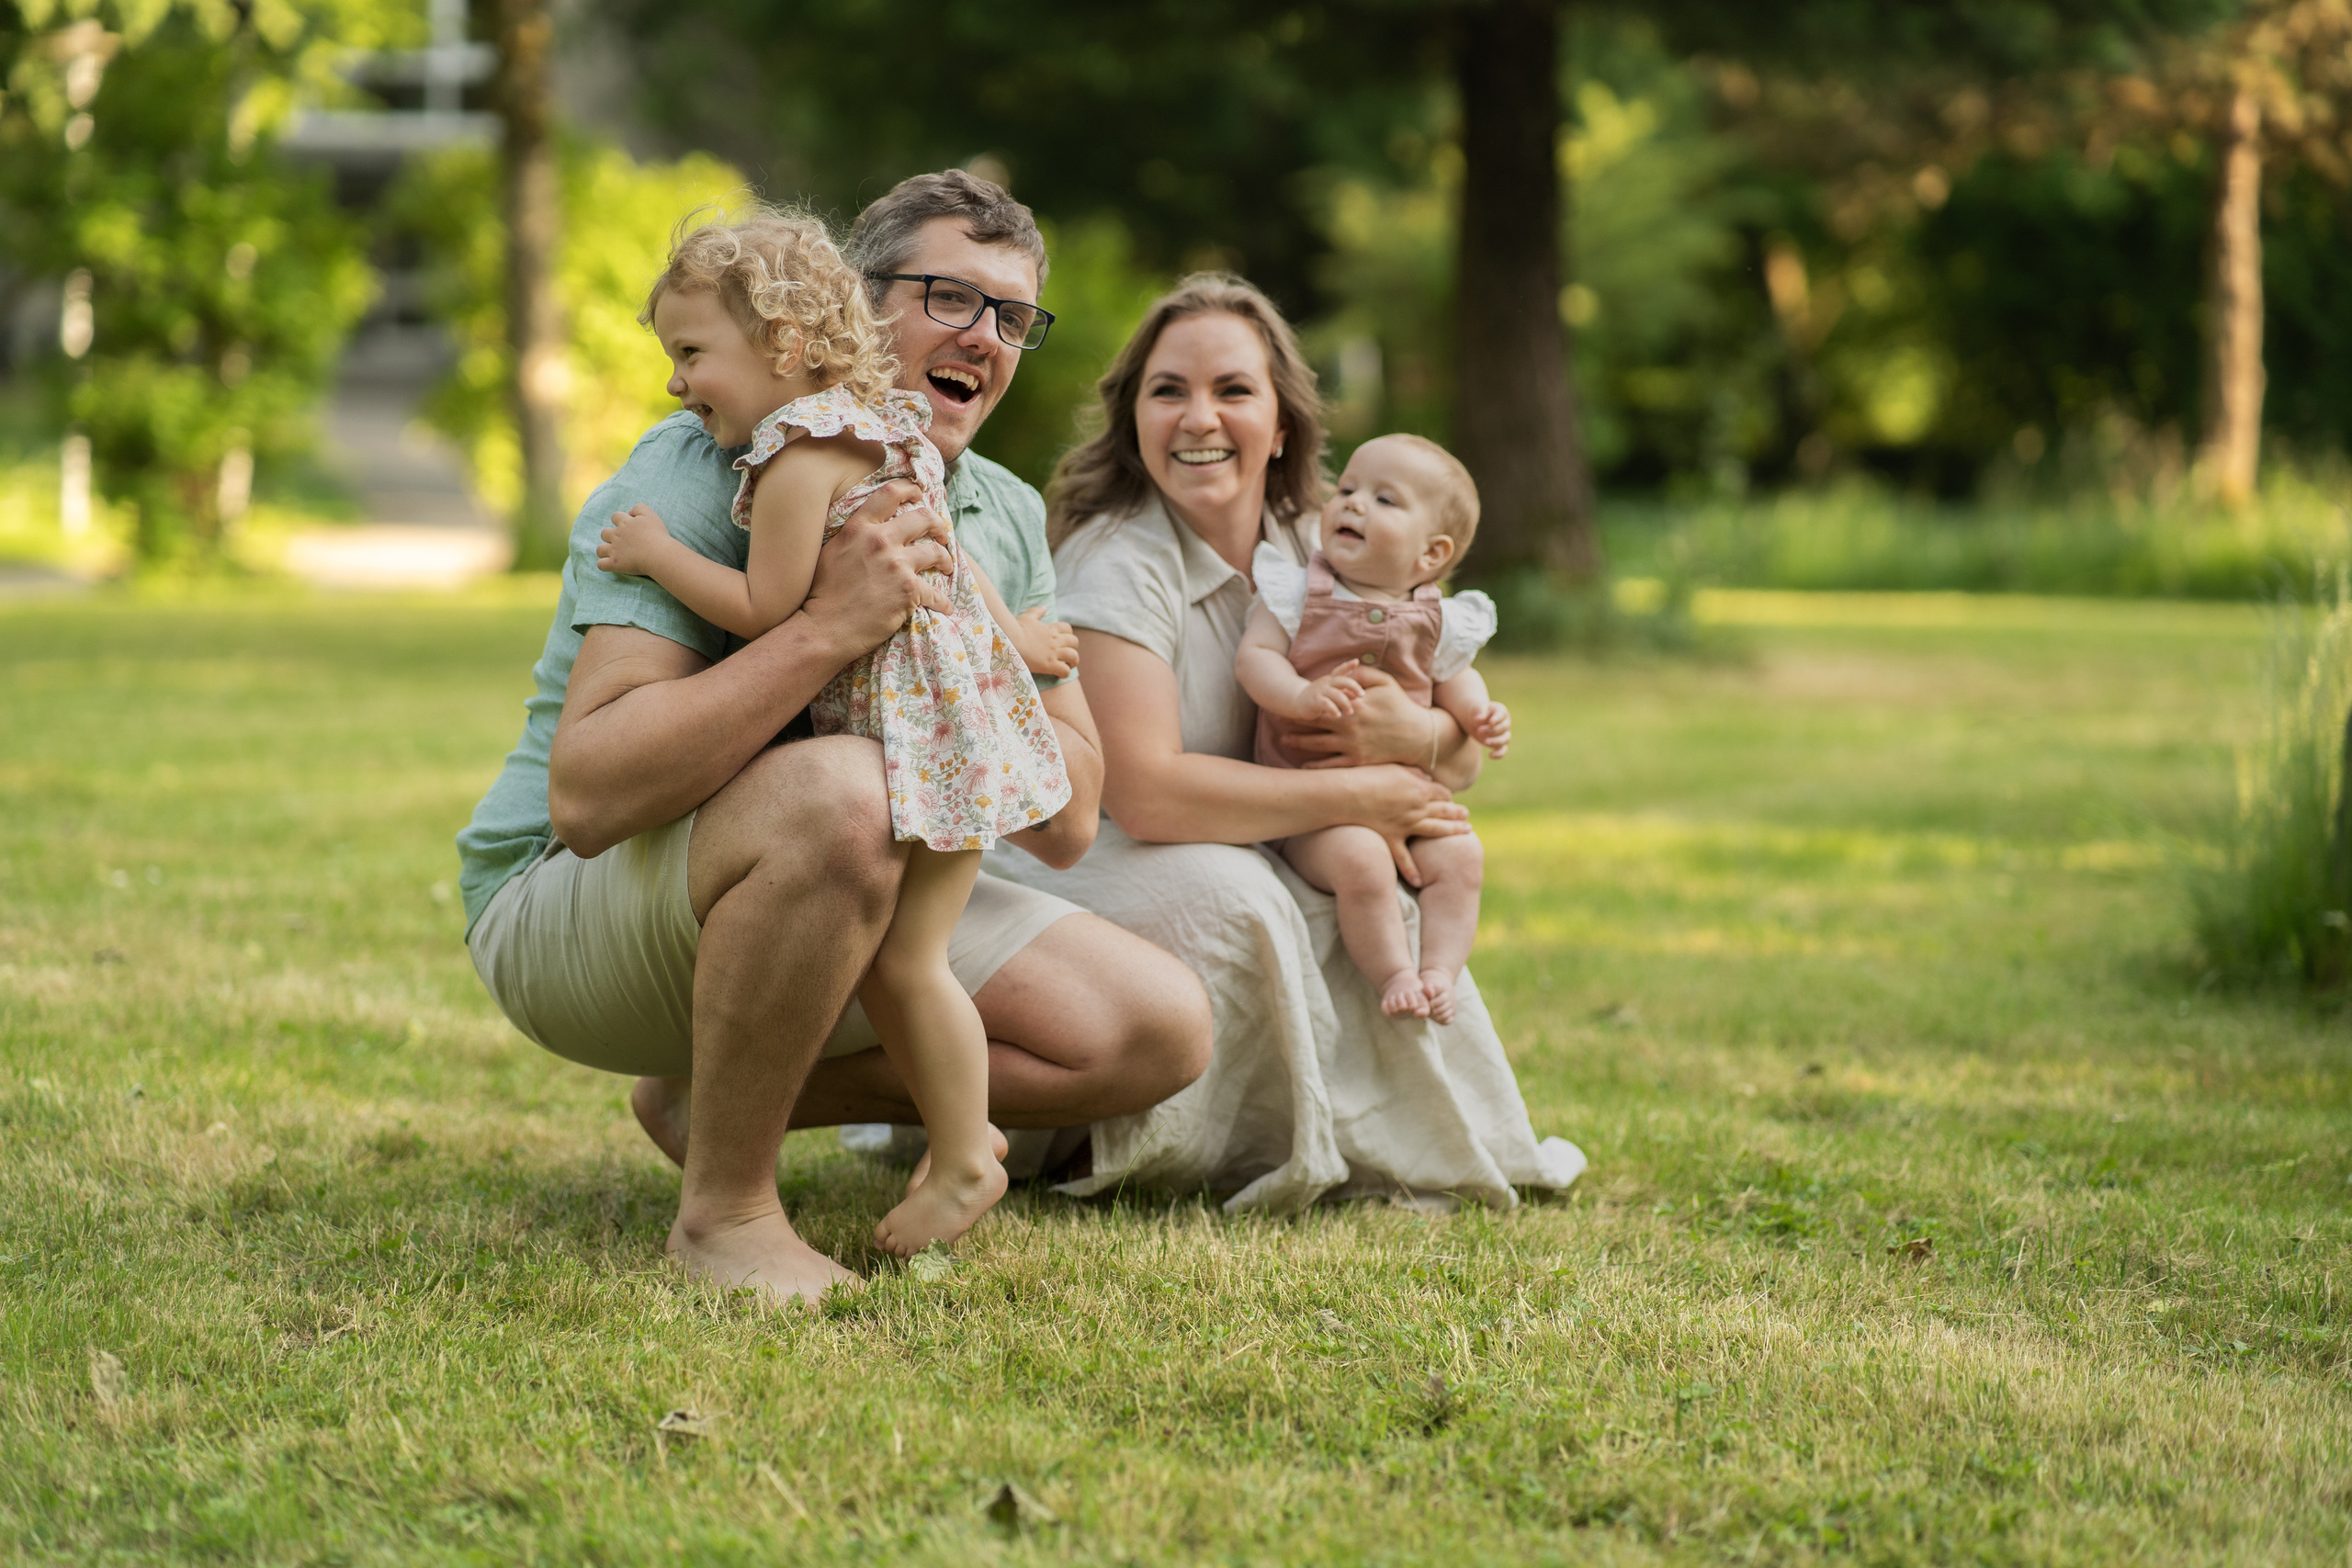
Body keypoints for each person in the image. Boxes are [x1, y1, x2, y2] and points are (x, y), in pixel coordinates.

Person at [455, 172, 1211, 1303]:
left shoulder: (993, 508)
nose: (984, 338)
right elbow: (590, 796)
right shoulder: (712, 461)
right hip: (577, 895)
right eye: (949, 298)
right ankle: (728, 1212)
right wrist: (828, 631)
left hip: (846, 877)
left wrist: (979, 650)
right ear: (848, 307)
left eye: (1011, 317)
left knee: (1155, 1030)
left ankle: (714, 1095)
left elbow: (1068, 820)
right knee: (851, 794)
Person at [987, 273, 1584, 1213]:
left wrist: (1416, 733)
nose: (1198, 419)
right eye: (1168, 390)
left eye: (1232, 390)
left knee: (1383, 879)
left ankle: (1387, 1135)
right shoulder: (1114, 565)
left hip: (1260, 819)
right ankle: (1140, 1139)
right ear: (1133, 415)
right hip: (1093, 849)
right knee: (1243, 896)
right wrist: (1358, 797)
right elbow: (1143, 793)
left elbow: (1459, 759)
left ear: (1281, 421)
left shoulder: (1328, 543)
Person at [592, 209, 1071, 1257]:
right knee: (916, 964)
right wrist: (1019, 644)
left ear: (782, 346)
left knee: (907, 970)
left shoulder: (802, 456)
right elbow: (950, 555)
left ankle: (961, 1157)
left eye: (690, 354)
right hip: (959, 733)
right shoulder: (888, 434)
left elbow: (769, 611)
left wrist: (657, 556)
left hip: (912, 747)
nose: (676, 383)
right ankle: (958, 1145)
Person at [1235, 433, 1510, 1026]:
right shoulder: (1295, 592)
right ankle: (1394, 975)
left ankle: (1439, 971)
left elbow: (1457, 681)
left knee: (1462, 856)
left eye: (1385, 500)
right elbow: (1254, 660)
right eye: (1349, 488)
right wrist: (1301, 694)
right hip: (1307, 810)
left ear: (1431, 554)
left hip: (1404, 800)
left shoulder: (1439, 618)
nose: (1353, 503)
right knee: (1361, 858)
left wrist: (1481, 715)